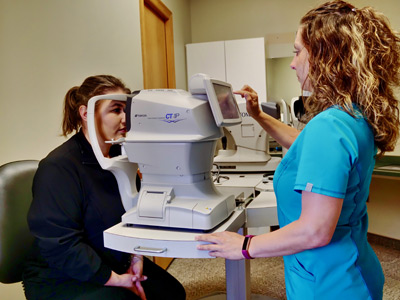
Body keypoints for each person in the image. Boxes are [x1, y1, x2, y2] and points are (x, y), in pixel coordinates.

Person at [196, 1, 400, 299]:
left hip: (332, 283)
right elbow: (308, 147)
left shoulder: (329, 125)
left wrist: (243, 246)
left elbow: (314, 230)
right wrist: (259, 114)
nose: (293, 63)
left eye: (297, 51)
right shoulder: (351, 116)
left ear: (326, 55)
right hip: (349, 267)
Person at [22, 75, 186, 300]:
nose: (125, 118)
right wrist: (116, 280)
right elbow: (60, 244)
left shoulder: (120, 156)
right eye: (116, 110)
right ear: (86, 113)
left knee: (173, 293)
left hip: (113, 258)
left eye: (127, 110)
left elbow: (135, 216)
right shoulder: (59, 167)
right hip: (62, 274)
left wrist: (135, 259)